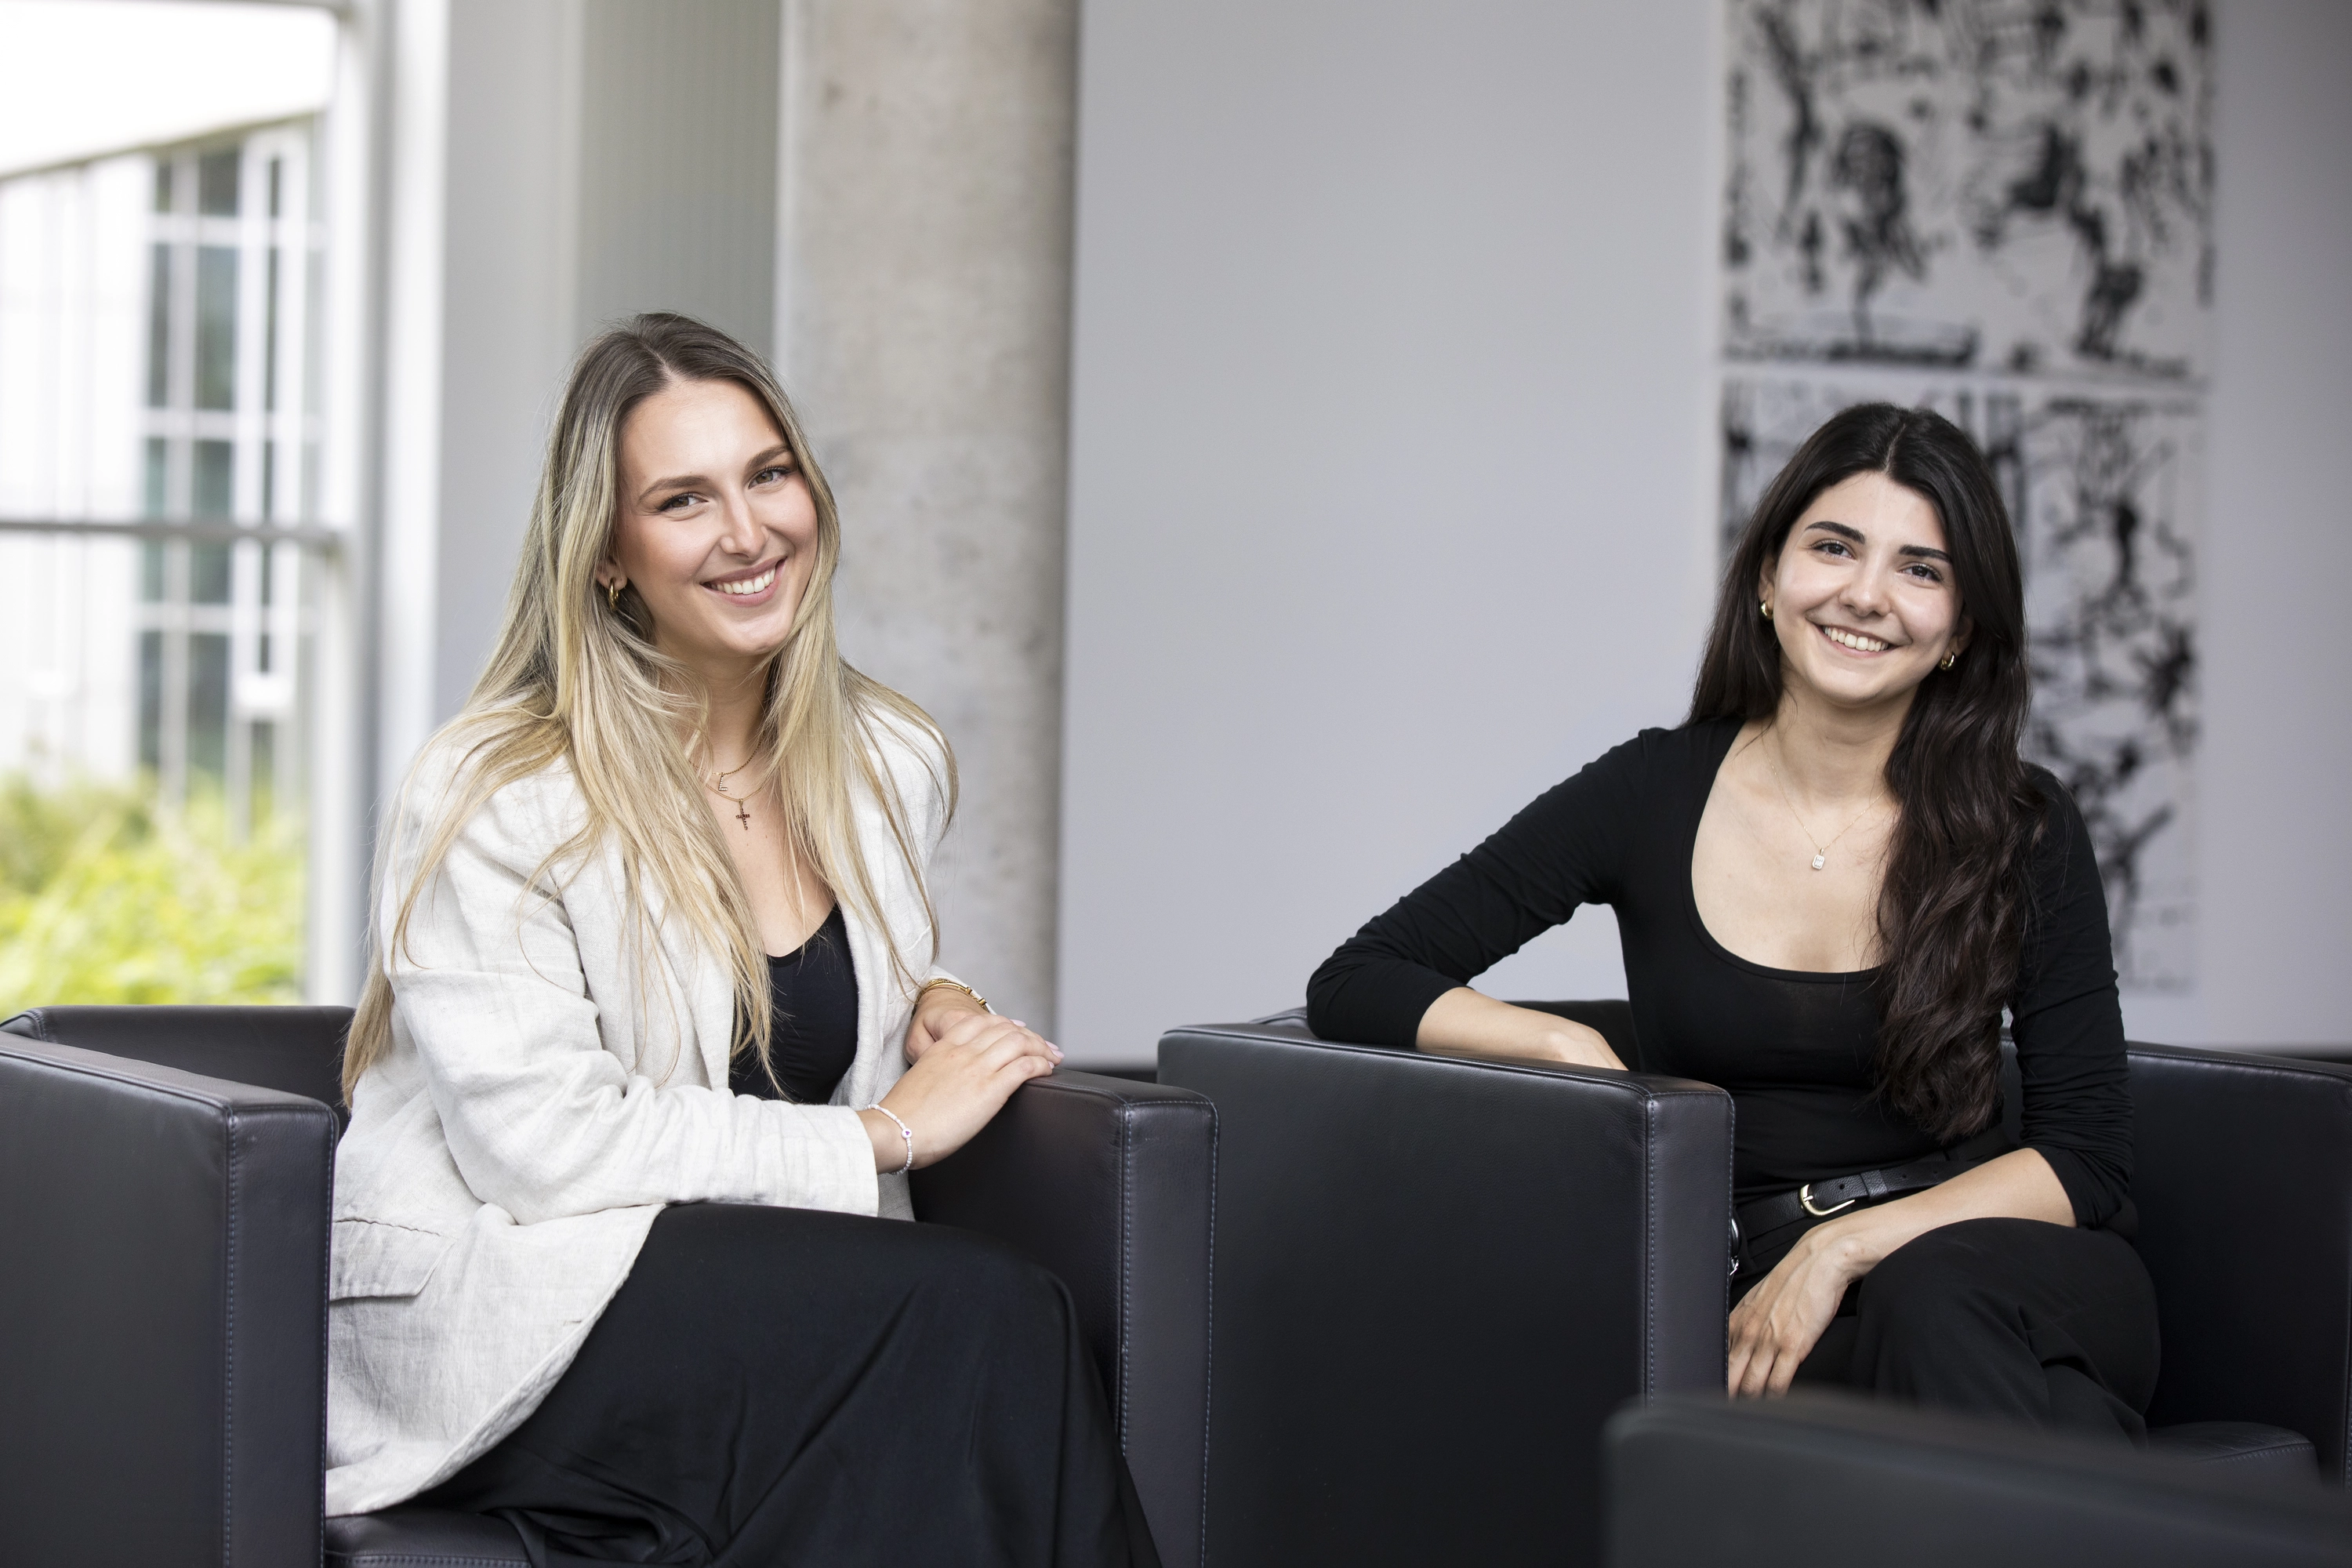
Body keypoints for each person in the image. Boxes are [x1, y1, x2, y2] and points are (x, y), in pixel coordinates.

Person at [326, 313, 1159, 1566]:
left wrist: (933, 995)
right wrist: (884, 1133)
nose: (748, 532)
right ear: (606, 555)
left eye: (768, 475)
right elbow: (545, 1151)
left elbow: (827, 1000)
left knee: (938, 1384)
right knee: (982, 1319)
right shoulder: (496, 789)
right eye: (682, 500)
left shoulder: (887, 759)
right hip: (512, 1296)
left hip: (756, 1290)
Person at [1308, 403, 2156, 1438]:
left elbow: (2087, 1157)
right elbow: (1360, 976)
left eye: (1920, 569)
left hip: (2001, 1258)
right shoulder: (1651, 791)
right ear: (1766, 579)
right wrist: (1564, 1047)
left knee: (1932, 1305)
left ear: (1960, 631)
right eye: (1834, 547)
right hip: (1760, 1276)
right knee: (2035, 1411)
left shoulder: (2022, 825)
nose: (1865, 594)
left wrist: (1844, 1247)